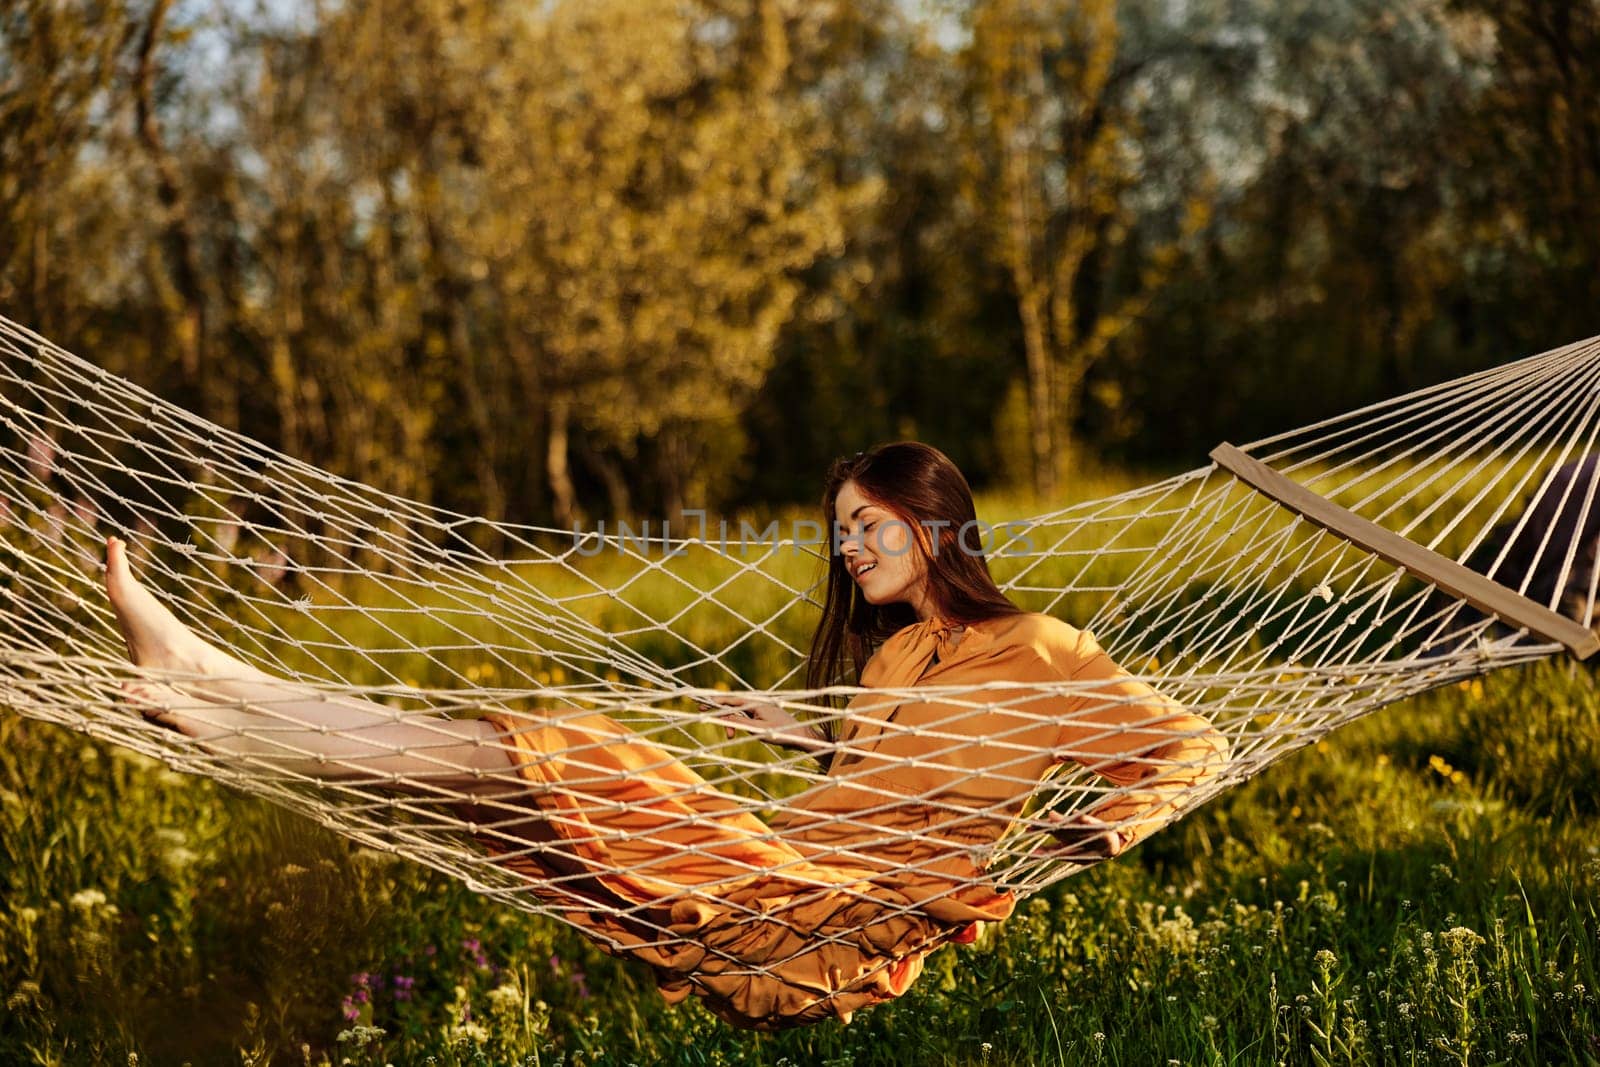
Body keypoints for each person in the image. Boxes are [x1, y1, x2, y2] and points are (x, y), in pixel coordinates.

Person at [104, 442, 1229, 1030]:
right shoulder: (887, 657)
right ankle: (222, 699)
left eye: (867, 522)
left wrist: (1095, 828)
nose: (846, 547)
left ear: (937, 523)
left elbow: (1190, 746)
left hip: (834, 924)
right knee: (502, 785)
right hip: (782, 876)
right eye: (837, 530)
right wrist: (799, 732)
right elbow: (884, 775)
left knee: (577, 753)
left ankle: (216, 689)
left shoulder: (1043, 645)